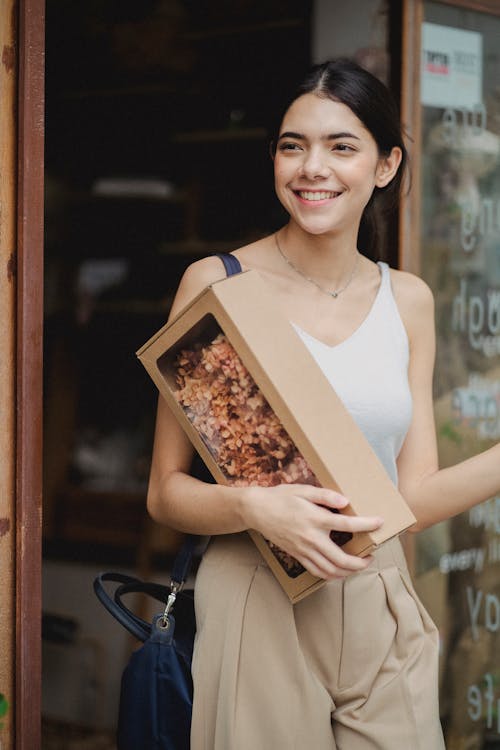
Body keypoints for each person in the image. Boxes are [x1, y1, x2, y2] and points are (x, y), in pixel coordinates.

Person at [147, 59, 500, 749]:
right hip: (259, 590)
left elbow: (411, 497)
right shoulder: (218, 284)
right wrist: (253, 506)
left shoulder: (409, 300)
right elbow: (164, 493)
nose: (313, 168)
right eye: (292, 145)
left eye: (342, 146)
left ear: (386, 165)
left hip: (380, 594)